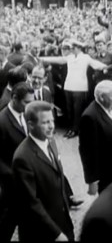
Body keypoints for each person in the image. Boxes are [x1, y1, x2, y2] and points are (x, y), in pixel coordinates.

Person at [12, 101, 74, 241]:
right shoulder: (22, 158)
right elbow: (31, 203)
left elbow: (56, 173)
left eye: (52, 120)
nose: (52, 126)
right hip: (41, 232)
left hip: (62, 222)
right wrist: (56, 234)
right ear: (30, 124)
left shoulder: (50, 141)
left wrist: (69, 199)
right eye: (45, 122)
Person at [41, 39, 108, 138]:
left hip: (80, 88)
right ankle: (71, 128)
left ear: (78, 48)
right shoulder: (70, 57)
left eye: (73, 47)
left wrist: (106, 67)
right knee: (70, 110)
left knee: (77, 110)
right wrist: (41, 58)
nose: (71, 49)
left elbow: (97, 65)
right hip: (69, 86)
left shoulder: (85, 57)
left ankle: (75, 129)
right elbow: (58, 59)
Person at [0, 82, 34, 241]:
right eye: (26, 102)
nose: (30, 105)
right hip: (12, 183)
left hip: (29, 179)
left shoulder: (27, 114)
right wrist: (11, 175)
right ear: (14, 98)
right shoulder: (2, 121)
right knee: (8, 219)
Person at [79, 80, 112, 195]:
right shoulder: (90, 117)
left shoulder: (110, 108)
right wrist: (92, 181)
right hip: (107, 175)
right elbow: (87, 151)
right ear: (102, 97)